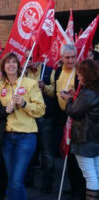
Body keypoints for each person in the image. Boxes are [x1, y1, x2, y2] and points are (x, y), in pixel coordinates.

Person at [0, 53, 45, 200]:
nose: (11, 65)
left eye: (14, 62)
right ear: (3, 67)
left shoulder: (30, 83)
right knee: (13, 181)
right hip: (6, 138)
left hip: (26, 137)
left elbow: (41, 110)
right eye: (7, 62)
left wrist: (24, 104)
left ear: (18, 65)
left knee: (16, 181)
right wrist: (5, 110)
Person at [64, 59, 99, 200]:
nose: (78, 77)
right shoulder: (94, 91)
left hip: (85, 139)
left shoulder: (88, 93)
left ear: (86, 75)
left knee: (89, 174)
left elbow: (74, 111)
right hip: (95, 137)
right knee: (95, 172)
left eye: (79, 74)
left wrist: (68, 100)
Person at [54, 44, 85, 200]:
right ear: (62, 58)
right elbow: (53, 91)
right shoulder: (58, 71)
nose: (70, 60)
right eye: (67, 57)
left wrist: (71, 98)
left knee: (76, 158)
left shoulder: (80, 73)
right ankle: (72, 187)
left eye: (73, 57)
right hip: (61, 117)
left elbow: (84, 98)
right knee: (65, 155)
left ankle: (79, 191)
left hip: (76, 119)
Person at [24, 50, 56, 193]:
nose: (31, 60)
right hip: (28, 115)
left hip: (45, 117)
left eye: (33, 57)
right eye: (28, 58)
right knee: (29, 150)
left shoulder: (49, 71)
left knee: (47, 152)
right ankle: (28, 180)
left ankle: (47, 184)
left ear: (39, 57)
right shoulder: (23, 71)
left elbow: (55, 92)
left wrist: (45, 87)